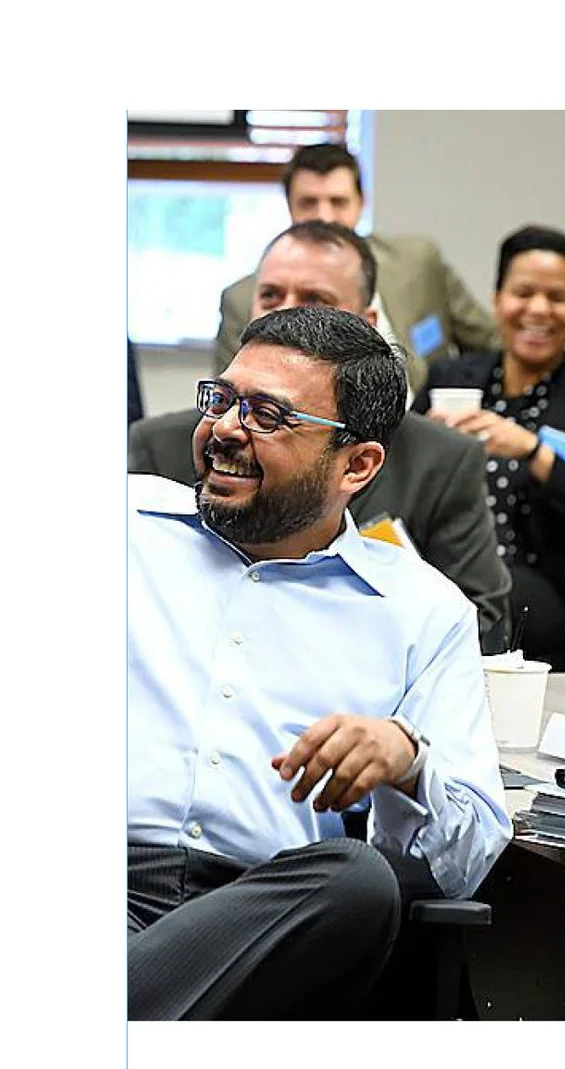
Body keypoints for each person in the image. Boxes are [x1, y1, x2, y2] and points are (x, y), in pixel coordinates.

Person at [128, 306, 510, 1019]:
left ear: (357, 465)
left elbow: (467, 863)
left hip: (272, 915)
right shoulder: (121, 527)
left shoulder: (421, 610)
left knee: (360, 882)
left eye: (269, 415)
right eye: (222, 400)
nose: (226, 430)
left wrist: (408, 760)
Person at [135, 223, 512, 650]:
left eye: (315, 301)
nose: (285, 315)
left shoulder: (440, 462)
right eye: (270, 296)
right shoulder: (162, 448)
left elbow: (479, 622)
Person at [418, 227, 565, 674]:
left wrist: (533, 453)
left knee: (480, 599)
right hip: (437, 569)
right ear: (497, 298)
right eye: (523, 292)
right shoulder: (451, 380)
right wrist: (423, 443)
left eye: (558, 297)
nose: (539, 309)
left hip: (545, 587)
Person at [209, 143, 494, 393]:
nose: (325, 216)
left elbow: (491, 344)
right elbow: (230, 398)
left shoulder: (417, 262)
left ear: (361, 203)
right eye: (309, 202)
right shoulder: (245, 299)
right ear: (289, 206)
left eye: (338, 202)